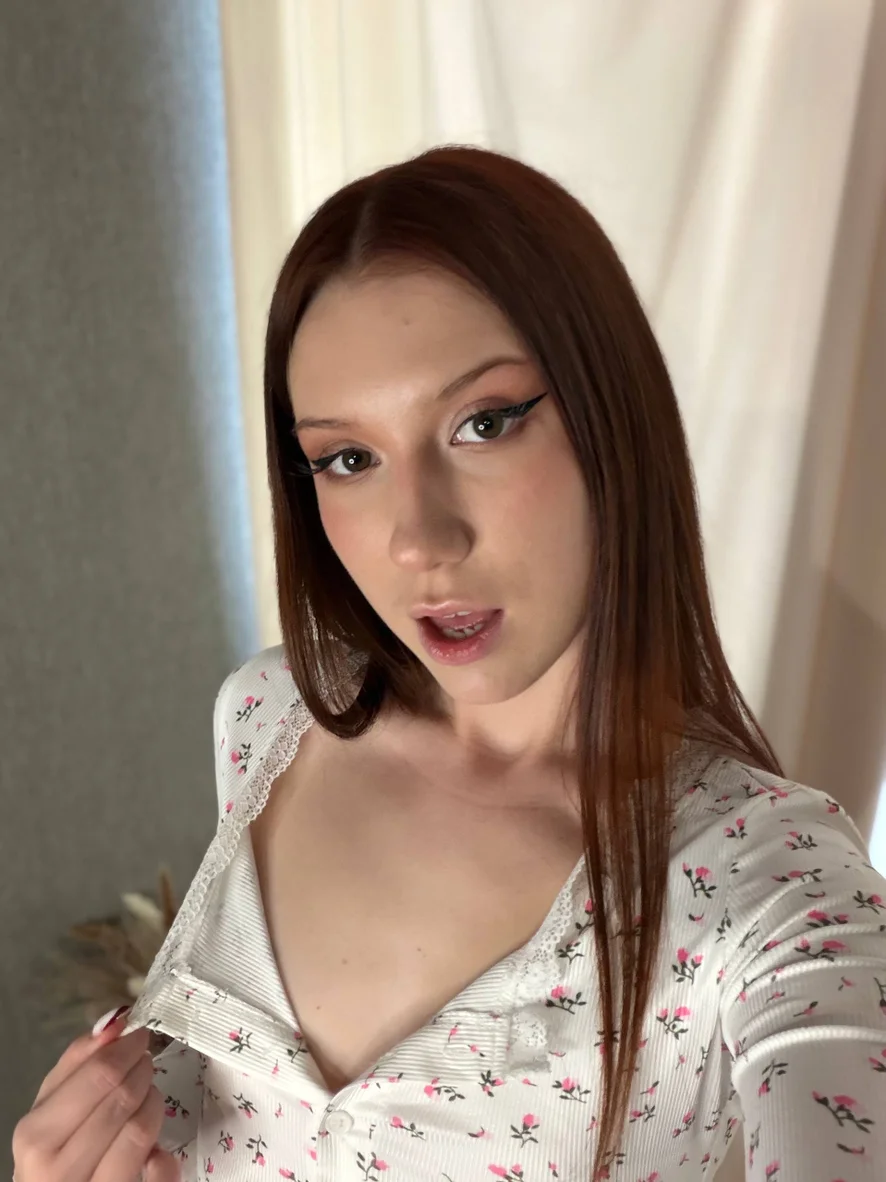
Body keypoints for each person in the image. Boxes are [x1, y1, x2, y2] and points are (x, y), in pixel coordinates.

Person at [13, 145, 886, 1182]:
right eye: (348, 458)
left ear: (611, 415)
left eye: (482, 424)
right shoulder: (270, 714)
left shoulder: (767, 882)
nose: (418, 540)